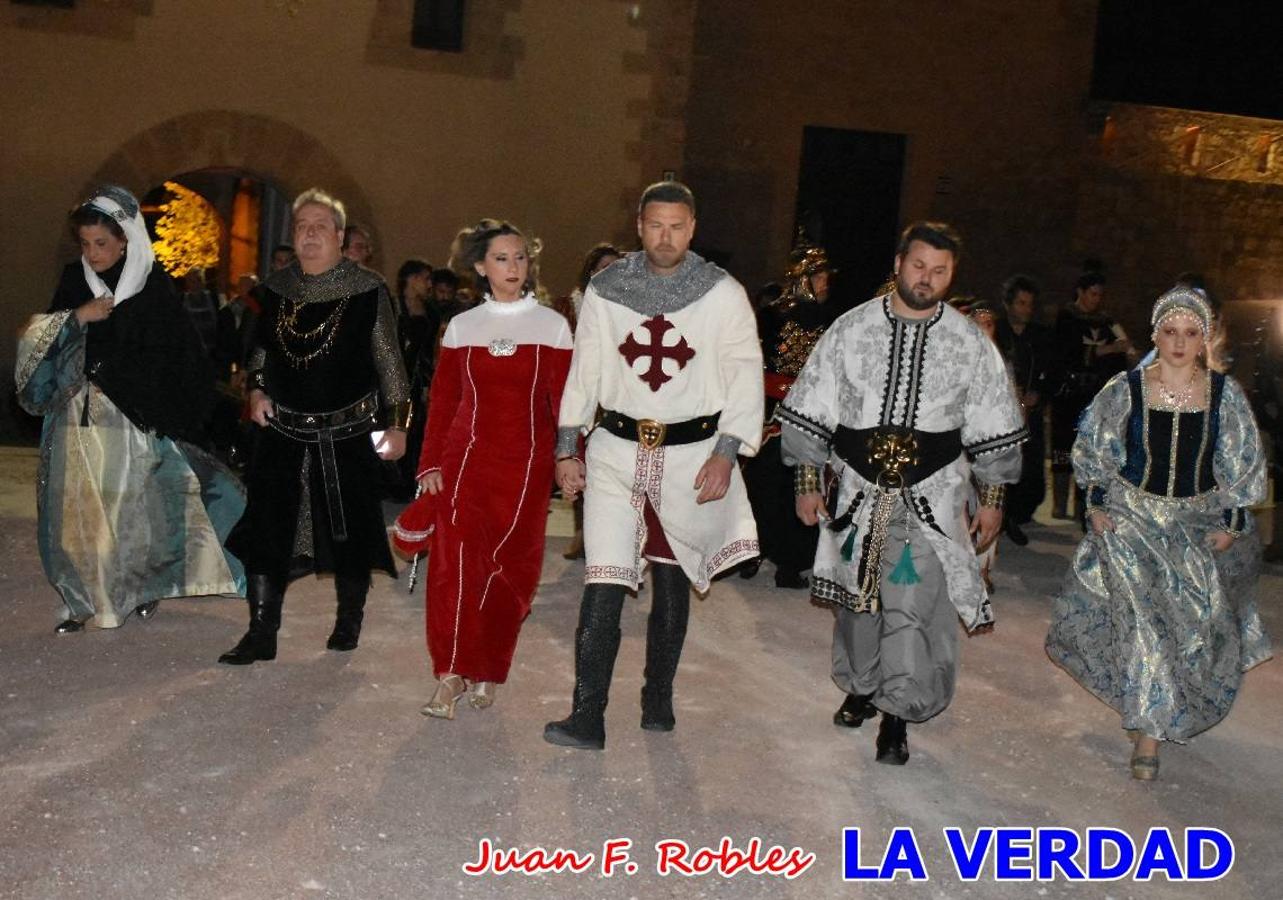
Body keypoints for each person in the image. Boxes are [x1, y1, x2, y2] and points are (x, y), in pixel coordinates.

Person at [777, 222, 1025, 765]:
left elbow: (993, 425)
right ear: (897, 263)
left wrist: (992, 498)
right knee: (857, 603)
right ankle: (862, 685)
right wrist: (805, 479)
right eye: (918, 266)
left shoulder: (969, 344)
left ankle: (899, 711)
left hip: (931, 499)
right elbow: (811, 406)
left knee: (913, 605)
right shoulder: (850, 329)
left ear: (951, 273)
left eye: (939, 271)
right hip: (857, 495)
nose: (926, 279)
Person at [543, 181, 763, 750]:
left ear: (693, 228)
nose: (666, 237)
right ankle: (587, 714)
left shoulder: (722, 294)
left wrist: (726, 452)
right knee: (604, 579)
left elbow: (744, 371)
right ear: (639, 224)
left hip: (691, 457)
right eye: (655, 225)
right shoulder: (606, 288)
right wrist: (568, 446)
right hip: (615, 452)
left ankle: (657, 698)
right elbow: (585, 369)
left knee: (671, 578)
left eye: (678, 226)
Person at [1046, 287, 1270, 781]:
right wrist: (1098, 501)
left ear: (1203, 338)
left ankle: (1152, 701)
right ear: (1155, 335)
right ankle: (1149, 732)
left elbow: (1241, 459)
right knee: (1145, 625)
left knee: (1189, 629)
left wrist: (1231, 520)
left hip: (1193, 524)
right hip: (1133, 521)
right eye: (1170, 332)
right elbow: (1095, 447)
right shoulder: (1126, 388)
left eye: (1190, 333)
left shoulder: (1223, 394)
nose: (1179, 341)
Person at [15, 185, 245, 633]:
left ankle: (137, 590)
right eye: (85, 244)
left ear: (124, 240)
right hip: (76, 417)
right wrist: (78, 318)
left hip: (131, 420)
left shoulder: (153, 286)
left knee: (130, 512)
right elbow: (38, 335)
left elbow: (177, 356)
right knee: (77, 509)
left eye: (101, 243)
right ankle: (84, 598)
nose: (93, 253)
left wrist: (155, 405)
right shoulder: (73, 279)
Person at [218, 188, 410, 665]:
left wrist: (398, 424)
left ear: (340, 236)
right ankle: (262, 632)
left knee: (351, 534)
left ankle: (348, 621)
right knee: (266, 531)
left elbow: (390, 363)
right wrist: (257, 389)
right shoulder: (277, 289)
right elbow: (260, 352)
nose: (308, 234)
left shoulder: (368, 291)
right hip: (282, 432)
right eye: (301, 226)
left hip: (346, 435)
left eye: (320, 226)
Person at [402, 220, 573, 718]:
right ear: (480, 267)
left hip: (525, 472)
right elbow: (445, 402)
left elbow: (565, 403)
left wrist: (569, 456)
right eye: (502, 259)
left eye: (520, 258)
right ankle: (449, 675)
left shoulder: (552, 326)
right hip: (464, 464)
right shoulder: (462, 327)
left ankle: (489, 669)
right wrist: (430, 461)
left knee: (510, 572)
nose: (513, 268)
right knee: (454, 570)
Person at [741, 234, 837, 588]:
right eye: (819, 275)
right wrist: (784, 391)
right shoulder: (772, 317)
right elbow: (753, 365)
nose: (826, 282)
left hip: (814, 421)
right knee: (761, 485)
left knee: (802, 485)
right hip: (772, 416)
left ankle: (791, 562)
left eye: (827, 276)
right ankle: (752, 551)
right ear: (802, 278)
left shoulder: (833, 321)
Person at [1049, 271, 1136, 522]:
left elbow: (1120, 353)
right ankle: (1059, 504)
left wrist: (1125, 353)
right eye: (1092, 294)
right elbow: (1066, 352)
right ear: (1080, 291)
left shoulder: (1107, 321)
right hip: (1069, 393)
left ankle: (1083, 506)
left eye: (1100, 295)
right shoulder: (1066, 318)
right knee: (1064, 447)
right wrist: (1104, 350)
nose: (1096, 299)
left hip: (1093, 394)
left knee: (1088, 448)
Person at [557, 243, 623, 560]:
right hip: (584, 398)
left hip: (620, 399)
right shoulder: (572, 307)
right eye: (601, 268)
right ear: (590, 273)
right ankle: (583, 534)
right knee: (583, 464)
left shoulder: (633, 306)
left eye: (614, 267)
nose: (607, 274)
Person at [994, 275, 1051, 545]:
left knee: (1030, 466)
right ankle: (1003, 514)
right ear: (1008, 304)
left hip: (1029, 412)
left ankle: (1019, 513)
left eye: (1030, 304)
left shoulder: (1039, 336)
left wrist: (1038, 394)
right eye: (1021, 303)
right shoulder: (996, 332)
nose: (1026, 309)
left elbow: (1051, 372)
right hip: (1000, 412)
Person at [390, 258, 440, 501]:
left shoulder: (430, 311)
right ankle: (388, 479)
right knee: (388, 426)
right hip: (392, 376)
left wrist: (429, 379)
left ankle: (408, 480)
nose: (429, 284)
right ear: (411, 279)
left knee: (415, 428)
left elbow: (429, 349)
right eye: (425, 278)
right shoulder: (392, 306)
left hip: (417, 377)